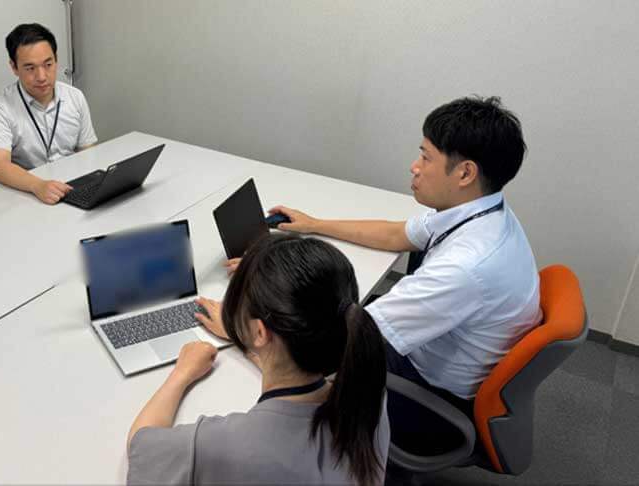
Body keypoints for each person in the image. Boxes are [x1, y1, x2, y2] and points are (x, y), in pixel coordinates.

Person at [218, 96, 542, 454]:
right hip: (435, 355)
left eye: (426, 157)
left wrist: (240, 328)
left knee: (277, 371)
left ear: (465, 173)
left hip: (426, 400)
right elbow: (397, 234)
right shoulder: (482, 210)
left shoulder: (466, 268)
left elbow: (334, 347)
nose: (414, 167)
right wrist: (315, 225)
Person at [128, 234, 389, 485]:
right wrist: (250, 341)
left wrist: (182, 373)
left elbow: (141, 446)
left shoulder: (218, 446)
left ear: (261, 332)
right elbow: (292, 377)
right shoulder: (367, 394)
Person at [0, 23, 98, 204]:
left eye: (48, 64)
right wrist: (37, 185)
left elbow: (88, 150)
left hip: (72, 188)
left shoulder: (75, 97)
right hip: (27, 194)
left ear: (56, 60)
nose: (42, 76)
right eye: (30, 68)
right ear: (14, 67)